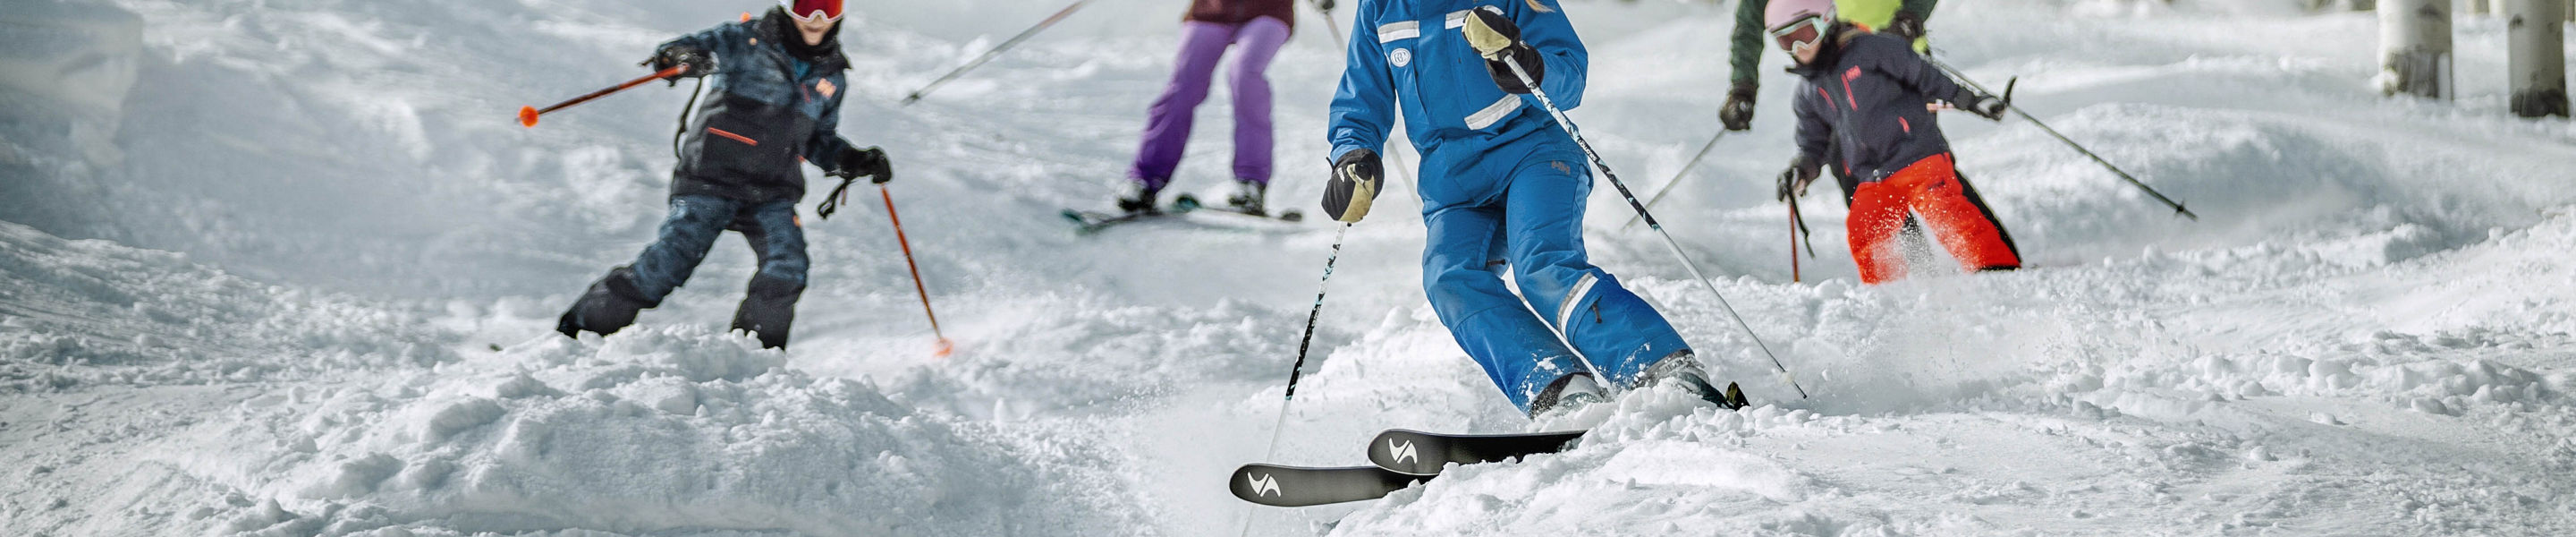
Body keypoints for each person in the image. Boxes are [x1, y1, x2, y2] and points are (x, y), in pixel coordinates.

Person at [1322, 0, 1742, 419]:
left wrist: (1525, 63)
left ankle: (1659, 367)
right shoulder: (1379, 7)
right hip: (1452, 179)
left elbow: (1570, 72)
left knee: (1543, 266)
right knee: (1449, 279)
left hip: (1533, 150)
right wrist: (1352, 155)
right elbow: (1362, 95)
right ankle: (1557, 387)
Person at [556, 0, 893, 349]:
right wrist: (681, 58)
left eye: (829, 8)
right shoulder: (746, 41)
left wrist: (851, 159)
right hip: (712, 178)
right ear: (788, 7)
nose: (817, 18)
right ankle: (576, 336)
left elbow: (818, 140)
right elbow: (684, 51)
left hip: (772, 191)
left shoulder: (832, 75)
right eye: (807, 6)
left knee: (787, 267)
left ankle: (753, 357)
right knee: (668, 263)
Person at [1767, 0, 2019, 284]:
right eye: (1785, 42)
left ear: (1826, 21)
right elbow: (1814, 143)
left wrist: (1973, 102)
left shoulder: (1873, 49)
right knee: (1866, 230)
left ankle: (1998, 274)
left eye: (1804, 35)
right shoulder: (1808, 92)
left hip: (1918, 156)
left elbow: (1930, 79)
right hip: (1872, 176)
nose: (1798, 49)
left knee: (1949, 215)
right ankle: (1889, 292)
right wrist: (1802, 170)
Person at [1114, 0, 1299, 216]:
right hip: (1211, 10)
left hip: (1269, 10)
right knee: (1184, 84)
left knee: (1245, 74)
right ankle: (1145, 180)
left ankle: (1251, 182)